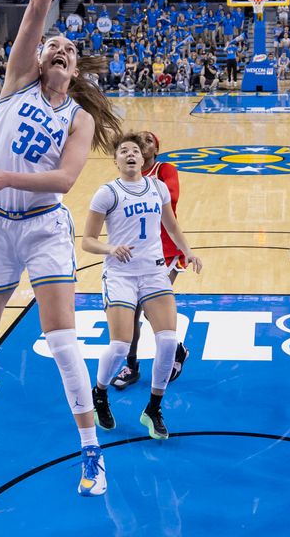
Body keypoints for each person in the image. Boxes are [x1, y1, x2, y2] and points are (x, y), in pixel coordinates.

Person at [0, 0, 123, 498]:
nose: (58, 47)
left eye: (68, 48)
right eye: (52, 44)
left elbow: (64, 182)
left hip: (45, 226)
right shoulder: (14, 85)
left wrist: (7, 177)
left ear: (74, 69)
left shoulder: (77, 117)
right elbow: (33, 10)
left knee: (62, 341)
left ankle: (90, 452)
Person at [82, 134, 202, 440]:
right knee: (120, 344)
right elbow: (87, 241)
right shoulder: (106, 193)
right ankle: (99, 395)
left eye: (135, 150)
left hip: (153, 272)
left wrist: (187, 251)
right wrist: (110, 248)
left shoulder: (158, 187)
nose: (131, 154)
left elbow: (171, 225)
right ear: (117, 160)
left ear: (142, 158)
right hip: (120, 275)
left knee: (167, 342)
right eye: (124, 151)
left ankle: (153, 408)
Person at [111, 131, 189, 390]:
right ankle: (131, 366)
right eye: (138, 140)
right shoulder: (126, 176)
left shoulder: (164, 169)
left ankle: (175, 349)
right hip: (136, 252)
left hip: (165, 249)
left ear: (155, 148)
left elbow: (172, 198)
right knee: (131, 313)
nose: (141, 143)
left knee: (150, 309)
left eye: (147, 139)